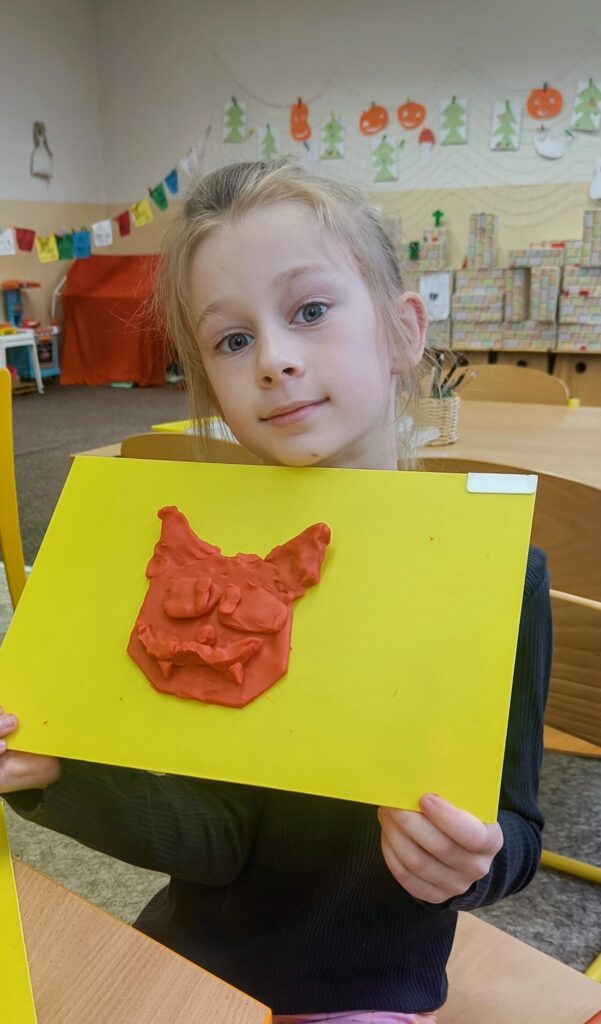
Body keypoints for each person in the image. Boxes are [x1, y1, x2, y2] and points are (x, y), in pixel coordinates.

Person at [0, 160, 551, 1024]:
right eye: (231, 340)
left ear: (403, 330)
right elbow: (217, 840)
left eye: (310, 311)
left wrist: (474, 861)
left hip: (363, 988)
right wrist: (55, 775)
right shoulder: (205, 571)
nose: (274, 360)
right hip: (194, 955)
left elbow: (518, 828)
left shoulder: (496, 574)